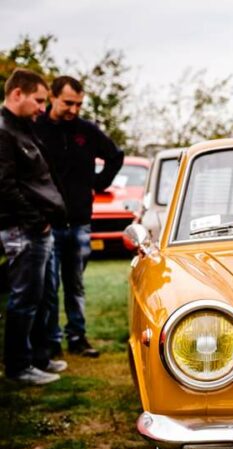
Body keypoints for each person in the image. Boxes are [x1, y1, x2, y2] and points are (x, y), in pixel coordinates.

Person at [34, 75, 123, 359]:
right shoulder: (37, 128)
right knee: (49, 289)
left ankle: (77, 337)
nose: (73, 110)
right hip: (48, 224)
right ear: (52, 97)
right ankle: (51, 341)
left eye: (78, 104)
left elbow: (116, 155)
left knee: (75, 284)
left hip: (79, 221)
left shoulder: (86, 131)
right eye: (68, 103)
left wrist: (98, 183)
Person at [0, 68, 68, 384]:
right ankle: (18, 367)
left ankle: (39, 357)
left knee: (42, 296)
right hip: (23, 230)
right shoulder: (4, 131)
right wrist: (36, 221)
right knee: (24, 299)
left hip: (40, 228)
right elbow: (4, 186)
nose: (43, 108)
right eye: (38, 100)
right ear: (17, 94)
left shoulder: (24, 128)